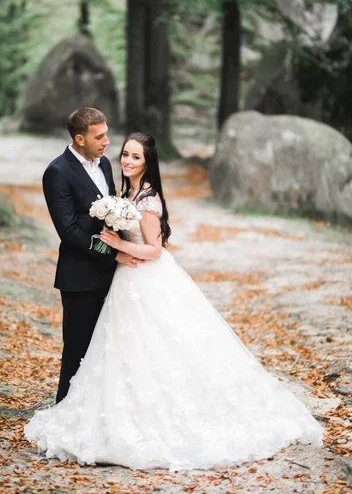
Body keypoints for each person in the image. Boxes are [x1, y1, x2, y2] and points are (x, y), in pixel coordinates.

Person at [25, 132, 323, 471]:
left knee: (162, 344)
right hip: (126, 282)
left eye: (135, 157)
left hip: (147, 278)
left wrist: (118, 247)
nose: (126, 161)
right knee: (125, 347)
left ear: (148, 162)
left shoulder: (149, 201)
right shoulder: (126, 193)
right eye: (125, 154)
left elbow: (154, 250)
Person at [42, 107, 139, 404]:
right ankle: (65, 411)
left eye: (107, 133)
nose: (108, 141)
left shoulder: (105, 165)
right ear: (80, 138)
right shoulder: (57, 172)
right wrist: (112, 254)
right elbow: (69, 231)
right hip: (79, 277)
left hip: (113, 276)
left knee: (109, 347)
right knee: (77, 349)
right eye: (100, 136)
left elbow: (111, 215)